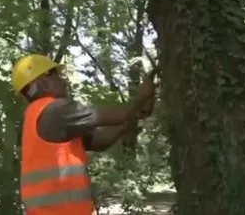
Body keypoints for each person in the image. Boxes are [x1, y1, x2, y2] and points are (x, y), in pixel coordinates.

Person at [11, 54, 156, 215]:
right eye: (56, 75)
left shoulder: (38, 117)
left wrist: (136, 115)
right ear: (42, 82)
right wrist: (141, 98)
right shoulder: (55, 111)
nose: (64, 81)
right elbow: (121, 115)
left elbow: (100, 141)